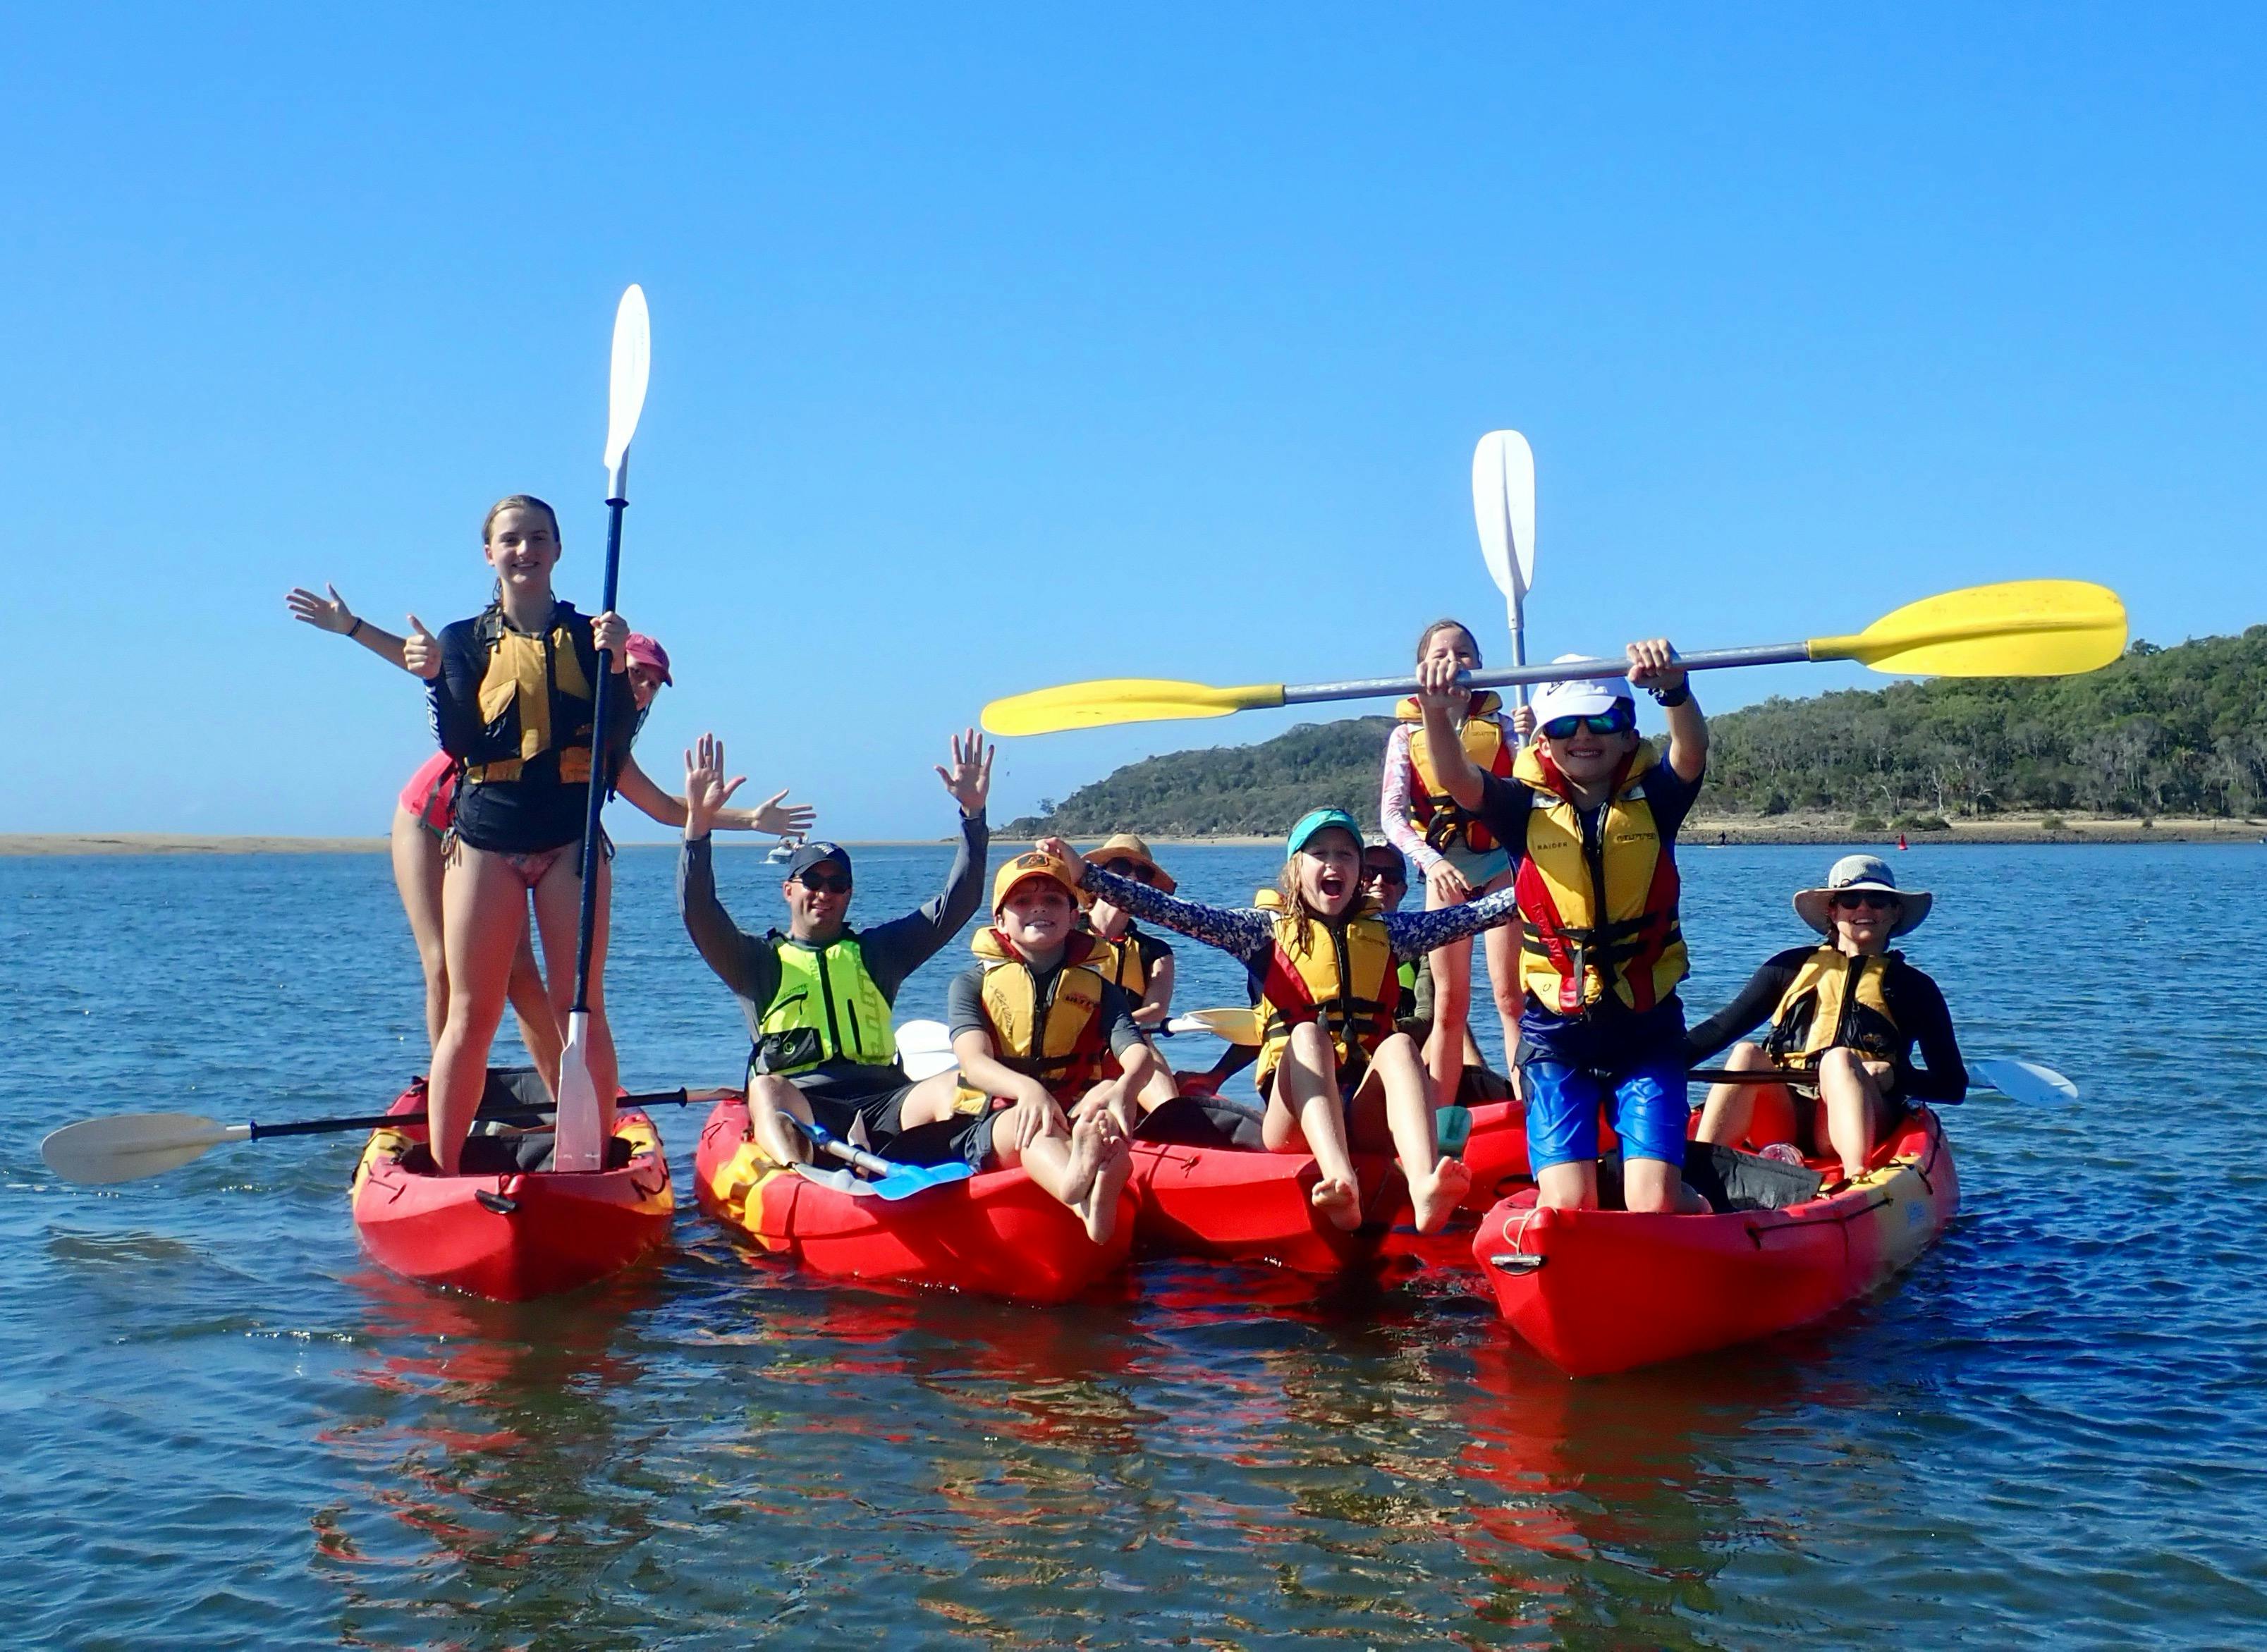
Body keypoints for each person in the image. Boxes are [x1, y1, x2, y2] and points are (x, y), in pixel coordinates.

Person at [288, 583, 810, 1092]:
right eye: (640, 673)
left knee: (527, 976)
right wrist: (353, 627)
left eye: (655, 682)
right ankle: (442, 1088)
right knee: (446, 964)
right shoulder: (543, 675)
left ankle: (568, 1093)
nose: (645, 687)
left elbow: (666, 808)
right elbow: (429, 663)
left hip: (506, 845)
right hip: (431, 820)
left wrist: (752, 820)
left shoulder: (600, 736)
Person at [1041, 808, 1520, 1233]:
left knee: (1396, 1046)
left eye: (1346, 855)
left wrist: (1544, 882)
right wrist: (1088, 877)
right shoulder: (1259, 932)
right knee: (1307, 1033)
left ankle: (1422, 1186)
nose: (1334, 863)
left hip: (1367, 1114)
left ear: (1358, 873)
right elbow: (1171, 911)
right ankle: (1340, 1180)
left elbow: (1478, 916)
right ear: (1295, 868)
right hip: (1291, 1120)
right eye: (1319, 853)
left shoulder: (1392, 933)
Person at [1413, 642, 1709, 1216]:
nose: (1584, 734)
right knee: (1569, 1204)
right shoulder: (1517, 806)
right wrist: (1434, 710)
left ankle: (1696, 1209)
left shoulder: (1658, 796)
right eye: (1565, 724)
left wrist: (1672, 688)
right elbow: (1454, 776)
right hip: (1555, 1033)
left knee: (1651, 1205)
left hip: (1645, 1028)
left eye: (1601, 720)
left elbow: (1691, 751)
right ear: (1542, 740)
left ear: (1627, 734)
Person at [679, 728, 994, 1175]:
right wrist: (697, 827)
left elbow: (957, 903)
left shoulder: (879, 953)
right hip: (806, 1107)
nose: (824, 893)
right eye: (813, 882)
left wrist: (973, 814)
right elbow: (698, 910)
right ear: (789, 890)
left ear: (848, 895)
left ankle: (966, 1172)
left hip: (884, 1102)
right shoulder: (756, 963)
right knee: (767, 1089)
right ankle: (800, 1176)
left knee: (956, 1086)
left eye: (837, 884)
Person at [1689, 856, 1967, 1181]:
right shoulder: (1788, 968)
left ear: (1895, 913)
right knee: (1746, 1054)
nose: (1864, 910)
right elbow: (1721, 1028)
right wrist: (1654, 1061)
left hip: (1853, 1118)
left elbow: (1952, 1086)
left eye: (1878, 901)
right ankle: (1698, 1172)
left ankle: (1855, 1178)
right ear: (1832, 912)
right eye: (1850, 900)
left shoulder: (1916, 988)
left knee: (1838, 1060)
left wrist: (1895, 1077)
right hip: (1781, 1120)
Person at [937, 850, 1149, 1243]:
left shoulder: (1101, 990)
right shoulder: (970, 985)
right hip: (995, 1119)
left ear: (1073, 916)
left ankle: (1090, 1169)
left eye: (1053, 899)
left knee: (1101, 1099)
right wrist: (1028, 1091)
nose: (1039, 909)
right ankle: (1080, 1197)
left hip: (1070, 1110)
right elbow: (974, 1060)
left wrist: (1125, 1088)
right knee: (1034, 1123)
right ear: (999, 919)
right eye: (1023, 901)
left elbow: (1137, 1054)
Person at [1381, 620, 1535, 1109]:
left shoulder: (1507, 727)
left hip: (1500, 867)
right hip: (1445, 866)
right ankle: (1436, 1121)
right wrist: (1430, 861)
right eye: (1441, 653)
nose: (1453, 662)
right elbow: (1391, 816)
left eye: (1464, 653)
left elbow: (1534, 790)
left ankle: (1528, 1112)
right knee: (1448, 1005)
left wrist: (1533, 743)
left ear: (1480, 665)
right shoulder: (1406, 736)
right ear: (1421, 668)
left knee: (1511, 998)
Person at [1361, 840, 1514, 1104]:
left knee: (1452, 1006)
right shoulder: (1336, 945)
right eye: (1368, 873)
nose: (1379, 881)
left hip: (1416, 1063)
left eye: (1391, 876)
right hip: (1366, 1063)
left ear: (1403, 890)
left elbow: (1429, 1018)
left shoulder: (1422, 948)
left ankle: (1497, 1103)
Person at [1077, 833, 1183, 1112]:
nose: (1132, 880)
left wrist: (1114, 1031)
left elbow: (1156, 1010)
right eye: (1122, 869)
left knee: (1143, 1044)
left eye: (1143, 874)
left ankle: (1170, 1118)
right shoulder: (1065, 936)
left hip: (1128, 1048)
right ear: (1100, 876)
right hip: (1072, 1050)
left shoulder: (1155, 951)